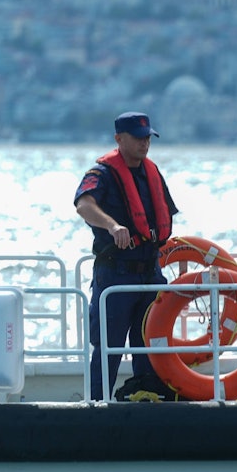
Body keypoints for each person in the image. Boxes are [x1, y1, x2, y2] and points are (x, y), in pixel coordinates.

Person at [75, 112, 179, 401]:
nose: (144, 143)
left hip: (150, 273)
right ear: (119, 139)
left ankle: (147, 398)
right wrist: (112, 225)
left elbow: (164, 218)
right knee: (108, 347)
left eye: (147, 137)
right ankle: (97, 404)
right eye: (137, 138)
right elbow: (84, 205)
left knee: (150, 345)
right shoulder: (101, 174)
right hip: (116, 273)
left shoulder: (153, 173)